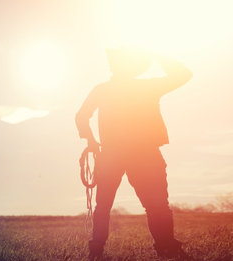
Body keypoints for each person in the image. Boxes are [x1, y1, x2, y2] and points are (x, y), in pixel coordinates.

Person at [75, 47, 192, 259]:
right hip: (144, 154)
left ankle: (96, 250)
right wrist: (157, 53)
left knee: (104, 206)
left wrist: (92, 142)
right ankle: (166, 248)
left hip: (112, 155)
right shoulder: (147, 87)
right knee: (157, 206)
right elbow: (184, 75)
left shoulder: (103, 90)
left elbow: (81, 116)